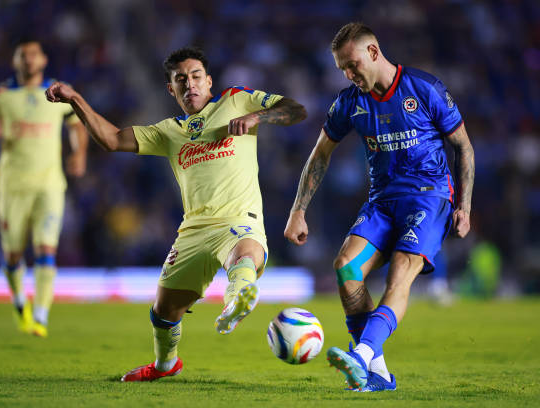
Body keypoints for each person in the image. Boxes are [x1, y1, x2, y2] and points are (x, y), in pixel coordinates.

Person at [46, 47, 307, 381]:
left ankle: (238, 298)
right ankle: (165, 365)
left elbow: (295, 110)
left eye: (196, 76)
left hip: (239, 219)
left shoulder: (236, 100)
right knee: (164, 311)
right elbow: (111, 139)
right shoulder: (169, 131)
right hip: (193, 232)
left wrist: (258, 117)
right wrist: (75, 99)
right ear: (171, 89)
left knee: (244, 255)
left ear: (209, 81)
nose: (190, 84)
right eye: (181, 79)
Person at [284, 22, 474, 392]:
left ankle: (361, 355)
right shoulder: (349, 103)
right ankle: (378, 373)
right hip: (382, 201)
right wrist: (298, 210)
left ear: (373, 52)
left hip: (429, 195)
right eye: (342, 69)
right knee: (345, 267)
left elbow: (463, 146)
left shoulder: (425, 89)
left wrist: (464, 206)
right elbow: (320, 154)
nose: (349, 74)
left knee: (400, 272)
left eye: (352, 64)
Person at [0, 38, 87, 337]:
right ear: (15, 61)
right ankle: (19, 302)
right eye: (22, 55)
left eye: (33, 54)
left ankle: (40, 316)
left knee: (46, 248)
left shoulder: (57, 92)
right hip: (11, 186)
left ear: (43, 60)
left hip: (49, 184)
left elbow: (76, 123)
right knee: (13, 255)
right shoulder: (4, 95)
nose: (28, 59)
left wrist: (79, 153)